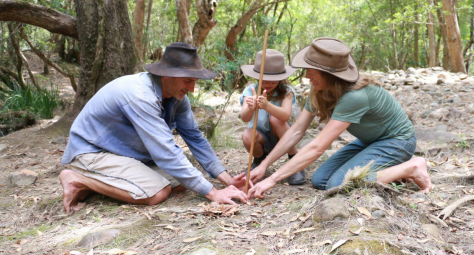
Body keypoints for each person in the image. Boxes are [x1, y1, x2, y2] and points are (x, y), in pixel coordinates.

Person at [59, 43, 248, 213]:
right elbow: (164, 151)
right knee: (158, 193)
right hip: (92, 152)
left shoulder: (177, 97)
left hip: (123, 153)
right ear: (168, 75)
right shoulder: (140, 95)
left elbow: (195, 137)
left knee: (183, 183)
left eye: (194, 81)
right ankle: (77, 179)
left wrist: (228, 180)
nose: (192, 88)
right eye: (188, 81)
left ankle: (104, 182)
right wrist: (214, 194)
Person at [246, 38, 432, 198]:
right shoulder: (318, 88)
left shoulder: (354, 96)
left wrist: (272, 179)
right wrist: (264, 165)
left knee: (337, 183)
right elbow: (296, 130)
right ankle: (391, 172)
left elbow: (318, 147)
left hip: (398, 141)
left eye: (311, 70)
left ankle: (413, 167)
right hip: (369, 142)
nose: (307, 75)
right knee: (321, 180)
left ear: (329, 74)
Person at [239, 49, 305, 185]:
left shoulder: (286, 91)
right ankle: (259, 161)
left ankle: (294, 160)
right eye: (264, 81)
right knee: (247, 135)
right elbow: (245, 118)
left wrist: (267, 105)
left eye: (273, 82)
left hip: (282, 135)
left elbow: (285, 115)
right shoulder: (250, 91)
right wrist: (251, 107)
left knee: (275, 119)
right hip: (261, 136)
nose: (268, 85)